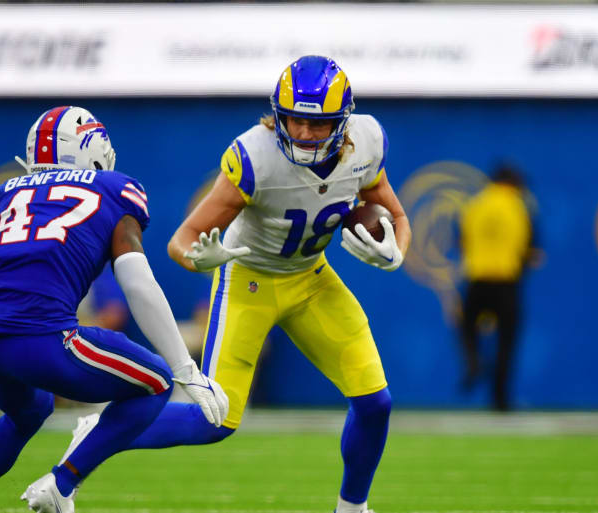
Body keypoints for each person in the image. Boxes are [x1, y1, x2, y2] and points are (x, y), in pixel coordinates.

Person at [47, 56, 412, 513]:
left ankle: (351, 509)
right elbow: (181, 241)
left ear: (343, 122)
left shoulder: (367, 142)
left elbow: (394, 215)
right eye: (294, 120)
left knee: (376, 403)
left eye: (316, 124)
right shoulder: (254, 156)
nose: (301, 133)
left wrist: (396, 250)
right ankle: (99, 432)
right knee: (214, 421)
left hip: (311, 278)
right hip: (249, 281)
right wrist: (204, 260)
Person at [0, 106, 229, 513]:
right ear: (93, 151)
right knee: (157, 381)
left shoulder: (4, 195)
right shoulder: (112, 189)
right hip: (44, 340)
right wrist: (185, 370)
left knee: (31, 410)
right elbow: (138, 282)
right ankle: (62, 482)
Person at [458, 163, 541, 411]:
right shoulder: (520, 205)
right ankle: (500, 400)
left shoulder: (475, 204)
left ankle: (474, 362)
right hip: (506, 282)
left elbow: (463, 241)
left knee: (467, 328)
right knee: (506, 343)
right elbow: (530, 251)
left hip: (477, 279)